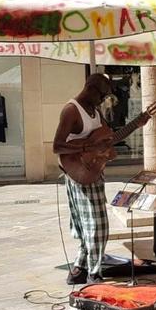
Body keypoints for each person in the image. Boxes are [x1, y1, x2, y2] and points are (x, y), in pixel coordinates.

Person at [53, 74, 123, 285]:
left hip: (93, 171)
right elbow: (57, 145)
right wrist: (86, 147)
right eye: (101, 95)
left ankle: (80, 269)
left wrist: (137, 124)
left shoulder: (95, 111)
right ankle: (94, 272)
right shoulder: (71, 111)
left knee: (89, 225)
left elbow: (105, 138)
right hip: (79, 172)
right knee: (97, 226)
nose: (103, 100)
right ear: (90, 89)